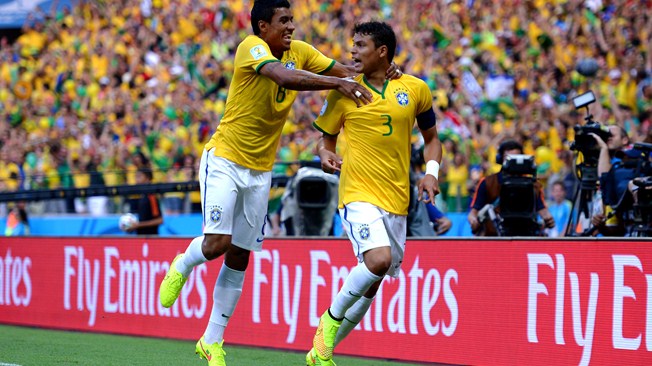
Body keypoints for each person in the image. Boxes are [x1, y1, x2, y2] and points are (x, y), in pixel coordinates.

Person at [157, 2, 400, 365]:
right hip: (224, 159)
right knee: (218, 243)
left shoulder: (299, 52)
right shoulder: (250, 48)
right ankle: (184, 264)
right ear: (263, 26)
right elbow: (286, 78)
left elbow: (349, 70)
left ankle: (212, 340)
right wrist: (338, 83)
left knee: (240, 254)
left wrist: (384, 70)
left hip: (259, 171)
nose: (291, 27)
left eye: (292, 20)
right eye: (283, 21)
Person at [306, 21, 442, 365]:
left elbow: (432, 139)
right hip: (357, 192)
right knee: (377, 260)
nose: (353, 52)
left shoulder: (415, 89)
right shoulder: (343, 91)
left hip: (397, 199)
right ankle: (329, 320)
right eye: (353, 45)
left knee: (375, 280)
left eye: (361, 45)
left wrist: (430, 174)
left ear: (382, 52)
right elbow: (326, 139)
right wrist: (325, 154)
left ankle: (322, 351)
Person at [467, 140, 555, 236]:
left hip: (526, 234)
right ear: (500, 159)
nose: (513, 162)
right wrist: (473, 220)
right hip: (494, 235)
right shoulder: (487, 182)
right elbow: (474, 211)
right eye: (508, 158)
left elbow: (543, 210)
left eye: (516, 158)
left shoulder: (534, 185)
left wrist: (549, 219)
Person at [125, 167, 163, 235]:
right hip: (140, 237)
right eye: (136, 177)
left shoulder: (151, 196)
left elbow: (159, 220)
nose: (136, 180)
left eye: (139, 176)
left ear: (147, 179)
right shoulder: (138, 196)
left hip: (151, 238)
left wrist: (139, 225)